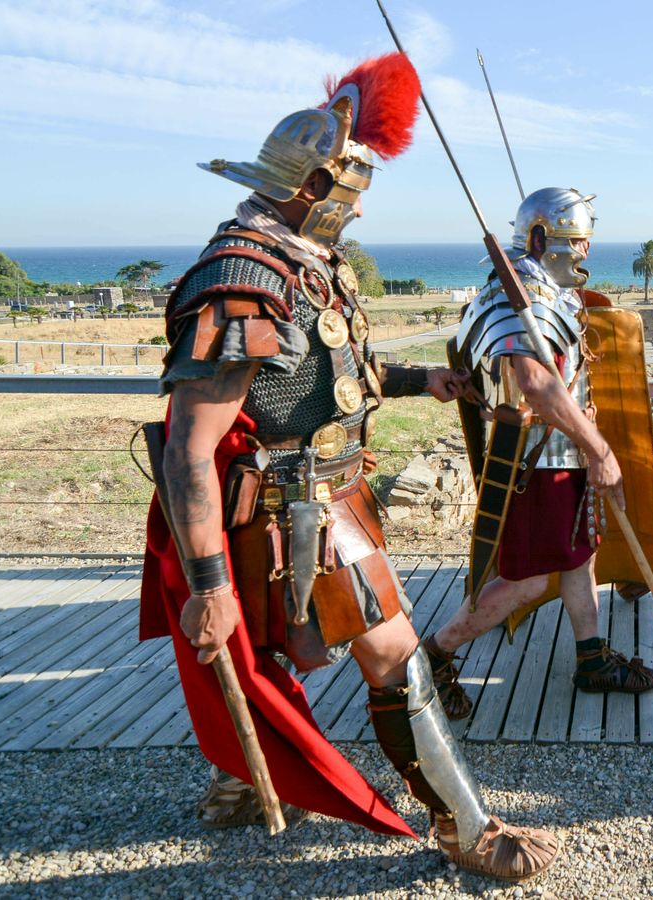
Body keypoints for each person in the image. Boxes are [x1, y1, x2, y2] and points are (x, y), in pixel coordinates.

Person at [140, 53, 558, 882]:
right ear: (313, 187)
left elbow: (319, 381)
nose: (357, 208)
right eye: (351, 192)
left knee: (267, 656)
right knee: (398, 657)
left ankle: (239, 786)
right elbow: (191, 447)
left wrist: (415, 381)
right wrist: (211, 587)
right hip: (289, 512)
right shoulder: (245, 278)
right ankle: (465, 830)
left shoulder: (301, 261)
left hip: (326, 497)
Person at [419, 188, 653, 720]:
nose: (584, 254)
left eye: (586, 242)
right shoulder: (516, 295)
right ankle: (433, 655)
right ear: (538, 238)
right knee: (527, 578)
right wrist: (599, 449)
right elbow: (532, 383)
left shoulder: (540, 292)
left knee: (579, 555)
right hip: (534, 462)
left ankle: (591, 658)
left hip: (561, 455)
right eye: (575, 242)